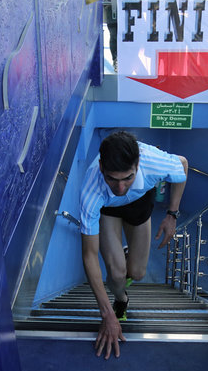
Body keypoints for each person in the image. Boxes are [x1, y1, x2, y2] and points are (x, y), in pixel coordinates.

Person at [80, 131, 188, 359]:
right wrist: (107, 313)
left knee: (137, 273)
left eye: (127, 178)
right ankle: (121, 301)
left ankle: (126, 254)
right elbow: (89, 255)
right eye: (112, 179)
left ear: (138, 165)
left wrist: (172, 214)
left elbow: (182, 166)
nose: (120, 188)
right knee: (117, 275)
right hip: (108, 210)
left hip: (140, 203)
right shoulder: (91, 190)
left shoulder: (153, 161)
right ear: (101, 168)